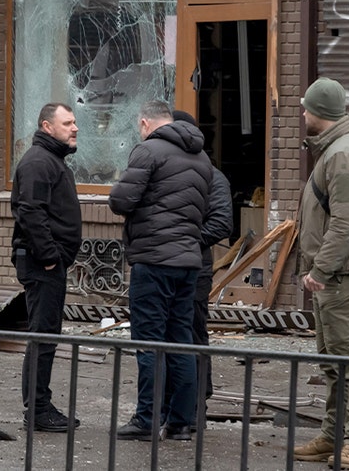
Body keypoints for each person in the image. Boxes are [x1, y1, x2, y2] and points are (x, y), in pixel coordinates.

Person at [291, 77, 349, 470]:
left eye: (306, 108)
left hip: (342, 275)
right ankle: (334, 435)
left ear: (319, 113)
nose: (302, 114)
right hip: (336, 274)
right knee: (333, 360)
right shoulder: (334, 149)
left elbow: (348, 222)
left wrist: (320, 269)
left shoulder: (343, 155)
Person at [108, 100, 213, 442]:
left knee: (149, 341)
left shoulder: (148, 150)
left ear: (144, 123)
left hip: (153, 260)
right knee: (181, 339)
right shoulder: (201, 157)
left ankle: (146, 419)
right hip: (188, 263)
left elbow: (121, 201)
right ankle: (181, 421)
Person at [10, 102, 82, 432]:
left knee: (47, 334)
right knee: (43, 335)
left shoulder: (51, 161)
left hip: (47, 263)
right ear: (47, 127)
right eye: (67, 122)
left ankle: (40, 404)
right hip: (42, 265)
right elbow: (31, 212)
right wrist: (51, 256)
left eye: (74, 122)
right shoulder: (39, 162)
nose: (75, 127)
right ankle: (37, 410)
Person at [170, 110, 232, 411]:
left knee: (193, 329)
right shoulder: (171, 170)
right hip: (175, 262)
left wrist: (184, 243)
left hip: (195, 266)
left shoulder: (211, 175)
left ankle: (197, 398)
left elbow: (222, 223)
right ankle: (179, 397)